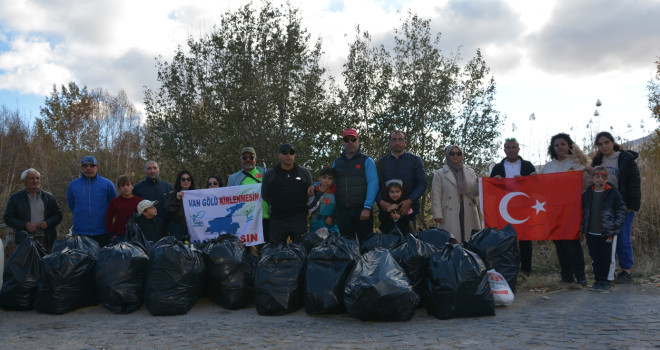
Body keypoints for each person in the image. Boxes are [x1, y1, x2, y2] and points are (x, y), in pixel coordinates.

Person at [590, 131, 641, 284]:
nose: (604, 146)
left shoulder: (625, 159)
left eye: (606, 142)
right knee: (607, 240)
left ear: (612, 142)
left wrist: (632, 205)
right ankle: (608, 271)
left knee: (623, 238)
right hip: (604, 206)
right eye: (600, 144)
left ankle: (626, 271)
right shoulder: (598, 160)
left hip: (622, 205)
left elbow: (634, 183)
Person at [540, 133, 589, 286]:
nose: (559, 147)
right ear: (552, 148)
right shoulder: (548, 167)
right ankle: (566, 276)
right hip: (553, 210)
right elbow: (540, 187)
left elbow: (586, 185)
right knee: (559, 243)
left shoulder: (578, 164)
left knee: (572, 242)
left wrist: (588, 172)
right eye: (556, 145)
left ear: (569, 145)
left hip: (571, 210)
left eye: (562, 144)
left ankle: (580, 275)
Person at [489, 137, 537, 276]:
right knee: (507, 239)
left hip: (524, 207)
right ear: (504, 150)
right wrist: (494, 180)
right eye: (508, 147)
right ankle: (510, 270)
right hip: (504, 208)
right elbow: (491, 189)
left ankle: (526, 270)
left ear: (518, 149)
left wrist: (533, 177)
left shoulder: (527, 165)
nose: (511, 150)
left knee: (525, 239)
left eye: (513, 147)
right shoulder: (497, 167)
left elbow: (534, 187)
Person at [581, 166, 627, 292]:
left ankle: (607, 280)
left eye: (603, 177)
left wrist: (616, 224)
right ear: (592, 178)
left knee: (607, 257)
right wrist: (582, 226)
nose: (600, 180)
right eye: (597, 177)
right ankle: (598, 280)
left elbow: (621, 209)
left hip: (608, 232)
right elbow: (582, 212)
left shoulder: (613, 193)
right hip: (591, 232)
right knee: (595, 257)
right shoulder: (587, 194)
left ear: (607, 178)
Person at [332, 128, 378, 244]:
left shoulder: (367, 160)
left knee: (367, 246)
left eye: (353, 139)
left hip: (362, 210)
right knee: (347, 247)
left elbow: (373, 184)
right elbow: (329, 182)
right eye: (347, 140)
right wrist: (315, 186)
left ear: (358, 141)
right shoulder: (337, 162)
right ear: (343, 143)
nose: (350, 142)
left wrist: (367, 207)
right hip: (343, 211)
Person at [376, 130, 427, 231]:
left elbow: (422, 183)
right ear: (389, 143)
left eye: (400, 139)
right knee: (388, 243)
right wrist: (381, 202)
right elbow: (375, 185)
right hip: (388, 211)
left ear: (405, 142)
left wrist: (410, 201)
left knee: (410, 242)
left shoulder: (415, 160)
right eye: (394, 140)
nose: (397, 142)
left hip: (409, 211)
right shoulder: (381, 162)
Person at [262, 143, 313, 244]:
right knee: (276, 252)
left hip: (299, 219)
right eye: (285, 153)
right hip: (278, 219)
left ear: (294, 155)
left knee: (301, 250)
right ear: (279, 155)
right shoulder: (270, 174)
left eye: (291, 152)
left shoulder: (304, 172)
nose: (288, 155)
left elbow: (310, 192)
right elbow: (265, 195)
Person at [3, 168, 62, 252]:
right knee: (28, 265)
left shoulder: (49, 197)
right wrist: (25, 225)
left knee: (47, 264)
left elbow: (58, 215)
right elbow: (8, 218)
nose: (35, 181)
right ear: (23, 181)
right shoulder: (15, 198)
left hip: (48, 241)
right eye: (32, 178)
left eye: (37, 178)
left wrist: (48, 223)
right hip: (25, 242)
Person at [431, 145, 481, 242]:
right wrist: (437, 214)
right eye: (452, 153)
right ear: (447, 155)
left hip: (469, 210)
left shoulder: (470, 172)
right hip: (449, 210)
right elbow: (436, 196)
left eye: (458, 153)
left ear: (462, 155)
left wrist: (479, 183)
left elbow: (475, 192)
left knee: (470, 241)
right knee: (452, 242)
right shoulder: (440, 173)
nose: (455, 155)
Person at [67, 156, 118, 247]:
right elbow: (71, 205)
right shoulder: (73, 185)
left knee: (102, 260)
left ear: (97, 167)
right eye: (85, 165)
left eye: (92, 165)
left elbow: (115, 206)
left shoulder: (107, 184)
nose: (88, 168)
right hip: (80, 233)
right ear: (81, 167)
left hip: (103, 233)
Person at [227, 146, 271, 243]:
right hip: (243, 221)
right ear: (241, 160)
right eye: (244, 158)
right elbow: (227, 199)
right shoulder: (233, 178)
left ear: (256, 159)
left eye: (251, 157)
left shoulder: (266, 173)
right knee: (243, 253)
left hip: (264, 219)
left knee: (266, 252)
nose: (248, 160)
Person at [105, 175, 142, 241]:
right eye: (122, 186)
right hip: (119, 236)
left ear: (132, 186)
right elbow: (108, 218)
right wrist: (112, 234)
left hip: (135, 236)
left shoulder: (139, 201)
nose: (125, 188)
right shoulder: (115, 201)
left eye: (128, 185)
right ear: (119, 188)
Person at [165, 170, 195, 241]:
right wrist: (177, 199)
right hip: (177, 228)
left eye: (188, 179)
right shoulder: (172, 194)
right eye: (183, 179)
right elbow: (167, 209)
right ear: (179, 181)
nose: (186, 181)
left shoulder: (196, 194)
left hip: (193, 227)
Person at [308, 167, 340, 234]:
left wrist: (332, 217)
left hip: (331, 228)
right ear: (319, 178)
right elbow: (311, 209)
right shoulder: (313, 191)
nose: (327, 180)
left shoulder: (337, 193)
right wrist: (320, 192)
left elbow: (339, 208)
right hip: (315, 228)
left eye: (330, 178)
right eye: (324, 177)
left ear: (333, 180)